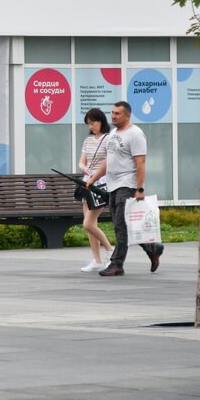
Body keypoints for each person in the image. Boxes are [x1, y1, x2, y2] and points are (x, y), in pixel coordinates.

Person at [86, 101, 164, 276]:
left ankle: (117, 264)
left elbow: (140, 162)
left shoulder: (135, 134)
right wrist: (94, 178)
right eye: (112, 113)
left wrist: (140, 188)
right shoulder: (113, 133)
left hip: (126, 184)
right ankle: (153, 249)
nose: (113, 116)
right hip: (112, 184)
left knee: (120, 226)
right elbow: (109, 160)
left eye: (117, 113)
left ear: (127, 115)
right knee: (124, 226)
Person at [77, 108, 114, 272]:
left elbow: (109, 163)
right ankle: (97, 260)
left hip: (101, 184)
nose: (91, 126)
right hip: (87, 183)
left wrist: (94, 175)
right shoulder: (88, 141)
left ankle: (111, 250)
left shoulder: (109, 139)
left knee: (88, 224)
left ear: (101, 121)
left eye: (93, 122)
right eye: (89, 124)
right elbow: (81, 162)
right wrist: (84, 168)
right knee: (91, 224)